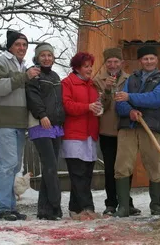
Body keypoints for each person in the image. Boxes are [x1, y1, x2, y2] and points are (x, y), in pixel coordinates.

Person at [0, 30, 40, 221]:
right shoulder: (0, 63)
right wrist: (24, 77)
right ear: (10, 46)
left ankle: (9, 206)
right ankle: (1, 209)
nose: (22, 48)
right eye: (18, 44)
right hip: (3, 121)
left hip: (18, 122)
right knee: (7, 165)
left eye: (25, 45)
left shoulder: (22, 65)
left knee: (13, 166)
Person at [114, 46, 160, 217]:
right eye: (145, 59)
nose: (149, 61)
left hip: (151, 127)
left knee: (154, 165)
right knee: (122, 166)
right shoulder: (130, 79)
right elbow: (119, 101)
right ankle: (123, 207)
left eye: (152, 58)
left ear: (157, 60)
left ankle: (156, 206)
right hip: (128, 127)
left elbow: (156, 99)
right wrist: (129, 111)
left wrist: (130, 98)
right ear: (140, 61)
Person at [93, 47, 141, 216]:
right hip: (107, 130)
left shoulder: (131, 79)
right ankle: (111, 203)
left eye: (116, 61)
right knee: (110, 169)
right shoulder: (97, 81)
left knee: (126, 168)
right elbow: (100, 108)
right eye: (109, 62)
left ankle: (127, 202)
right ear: (105, 63)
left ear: (122, 63)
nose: (112, 65)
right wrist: (106, 90)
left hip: (126, 129)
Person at [26, 43, 65, 220]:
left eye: (49, 55)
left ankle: (44, 209)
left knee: (51, 167)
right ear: (37, 57)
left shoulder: (56, 76)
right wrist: (41, 114)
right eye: (43, 55)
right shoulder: (34, 73)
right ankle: (56, 206)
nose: (47, 58)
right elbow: (32, 96)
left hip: (55, 126)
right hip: (41, 124)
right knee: (50, 166)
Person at [60, 52, 102, 220]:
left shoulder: (92, 85)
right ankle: (87, 208)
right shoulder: (67, 83)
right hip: (74, 135)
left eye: (90, 66)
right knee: (78, 174)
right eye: (86, 66)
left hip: (90, 134)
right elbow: (67, 106)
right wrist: (88, 107)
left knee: (86, 174)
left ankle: (74, 209)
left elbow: (96, 105)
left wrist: (98, 108)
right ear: (77, 67)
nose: (89, 69)